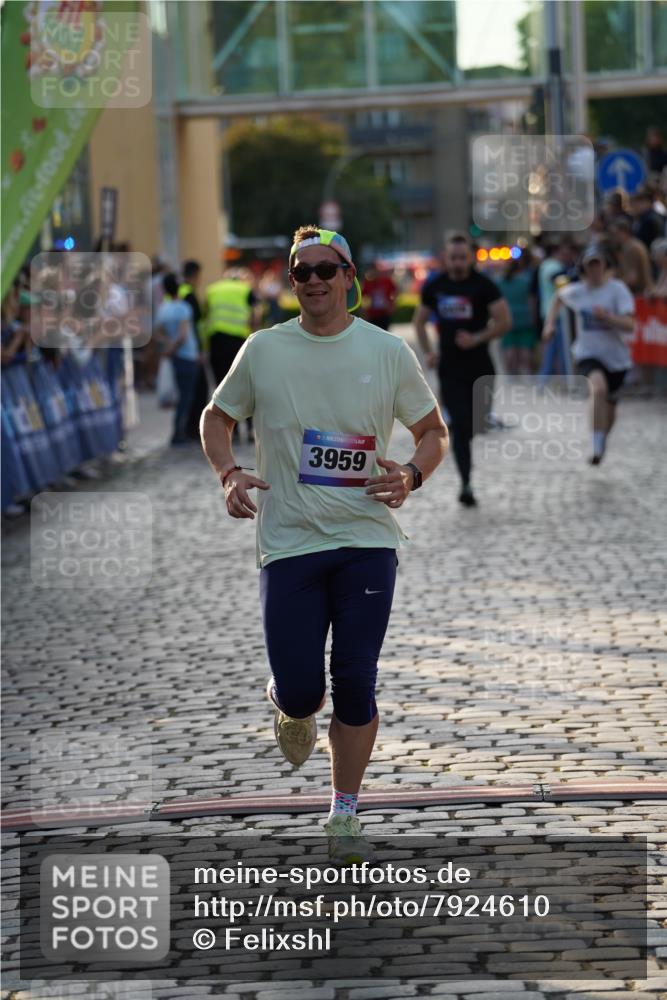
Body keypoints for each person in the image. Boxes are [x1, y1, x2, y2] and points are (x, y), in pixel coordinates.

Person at [200, 225, 447, 862]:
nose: (312, 281)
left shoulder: (387, 351)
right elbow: (216, 417)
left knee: (357, 680)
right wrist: (228, 473)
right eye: (300, 272)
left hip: (366, 539)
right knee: (302, 689)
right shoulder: (263, 349)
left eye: (324, 270)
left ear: (348, 277)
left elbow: (433, 431)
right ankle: (291, 703)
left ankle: (344, 810)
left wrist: (411, 474)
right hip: (289, 543)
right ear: (291, 283)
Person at [413, 233, 510, 507]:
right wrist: (429, 351)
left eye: (462, 257)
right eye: (453, 257)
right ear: (446, 258)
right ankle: (466, 482)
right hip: (450, 367)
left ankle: (466, 446)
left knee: (476, 424)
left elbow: (504, 321)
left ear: (471, 257)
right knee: (459, 424)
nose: (457, 262)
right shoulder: (436, 286)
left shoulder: (484, 285)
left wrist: (477, 338)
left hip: (481, 366)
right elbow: (419, 322)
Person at [542, 247, 635, 465]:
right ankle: (595, 446)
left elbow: (630, 324)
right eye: (590, 266)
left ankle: (602, 440)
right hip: (587, 353)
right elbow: (558, 298)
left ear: (605, 266)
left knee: (610, 407)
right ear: (583, 269)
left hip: (616, 358)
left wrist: (608, 317)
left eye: (598, 264)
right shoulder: (578, 291)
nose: (594, 270)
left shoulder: (617, 290)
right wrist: (550, 324)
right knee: (598, 390)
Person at [201, 266, 261, 443]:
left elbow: (205, 316)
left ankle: (231, 432)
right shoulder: (245, 289)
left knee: (222, 387)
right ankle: (249, 430)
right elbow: (255, 315)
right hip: (238, 342)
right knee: (246, 385)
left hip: (216, 341)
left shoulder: (212, 290)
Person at [154, 273, 200, 446]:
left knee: (180, 395)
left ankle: (179, 432)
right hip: (187, 356)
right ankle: (179, 433)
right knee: (186, 397)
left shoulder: (163, 308)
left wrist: (167, 346)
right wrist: (172, 347)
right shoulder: (183, 308)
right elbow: (183, 335)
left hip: (174, 358)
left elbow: (157, 333)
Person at [535, 238, 579, 385]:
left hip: (550, 312)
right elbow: (559, 282)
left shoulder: (546, 264)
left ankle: (546, 382)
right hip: (557, 314)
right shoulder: (552, 266)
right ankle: (561, 381)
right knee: (560, 351)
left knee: (552, 351)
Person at [178, 260, 208, 440]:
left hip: (183, 349)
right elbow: (195, 325)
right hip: (191, 349)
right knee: (199, 390)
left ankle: (188, 428)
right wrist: (200, 350)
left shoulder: (180, 292)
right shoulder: (189, 294)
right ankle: (193, 428)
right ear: (195, 275)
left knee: (190, 391)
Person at [497, 250, 538, 376]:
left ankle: (513, 378)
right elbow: (532, 301)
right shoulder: (526, 280)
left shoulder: (499, 282)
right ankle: (528, 378)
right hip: (525, 320)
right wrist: (534, 318)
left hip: (508, 321)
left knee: (510, 355)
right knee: (526, 354)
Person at [608, 216, 653, 296]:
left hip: (640, 295)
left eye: (614, 234)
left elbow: (632, 279)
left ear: (624, 232)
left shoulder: (632, 248)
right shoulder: (627, 247)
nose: (613, 237)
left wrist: (612, 288)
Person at [361, 263, 397, 331]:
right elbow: (362, 297)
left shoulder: (386, 280)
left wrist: (392, 303)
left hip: (384, 313)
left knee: (385, 332)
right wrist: (364, 311)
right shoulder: (367, 283)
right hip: (372, 314)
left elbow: (395, 291)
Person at [630, 188, 665, 253]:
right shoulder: (644, 217)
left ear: (647, 202)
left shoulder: (650, 220)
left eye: (638, 203)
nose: (635, 207)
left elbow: (642, 242)